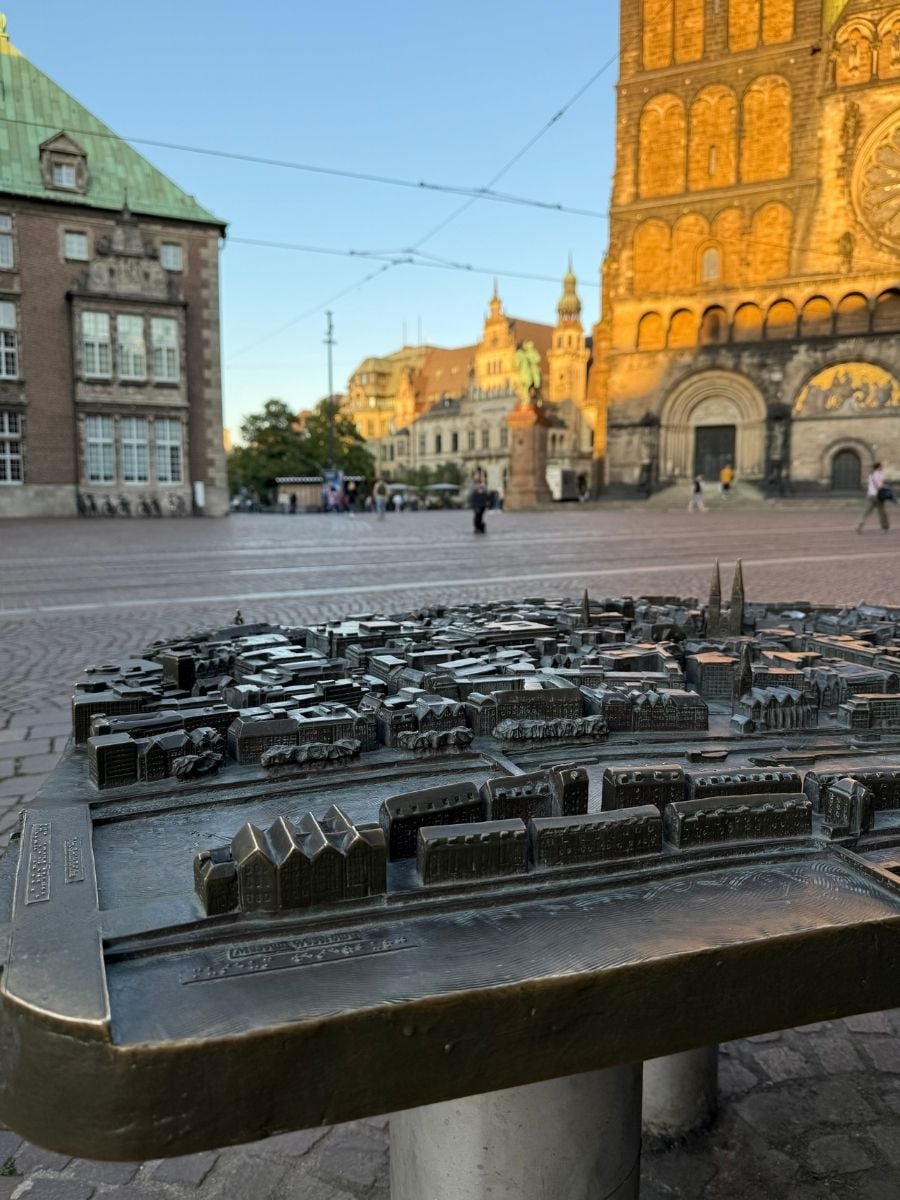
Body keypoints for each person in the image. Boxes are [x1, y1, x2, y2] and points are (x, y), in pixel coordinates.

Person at [857, 461, 891, 534]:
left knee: (866, 511)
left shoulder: (871, 475)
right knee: (882, 512)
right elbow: (881, 485)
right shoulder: (881, 474)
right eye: (881, 466)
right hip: (878, 495)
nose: (882, 467)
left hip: (870, 495)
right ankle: (884, 528)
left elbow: (869, 485)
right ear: (878, 467)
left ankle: (860, 523)